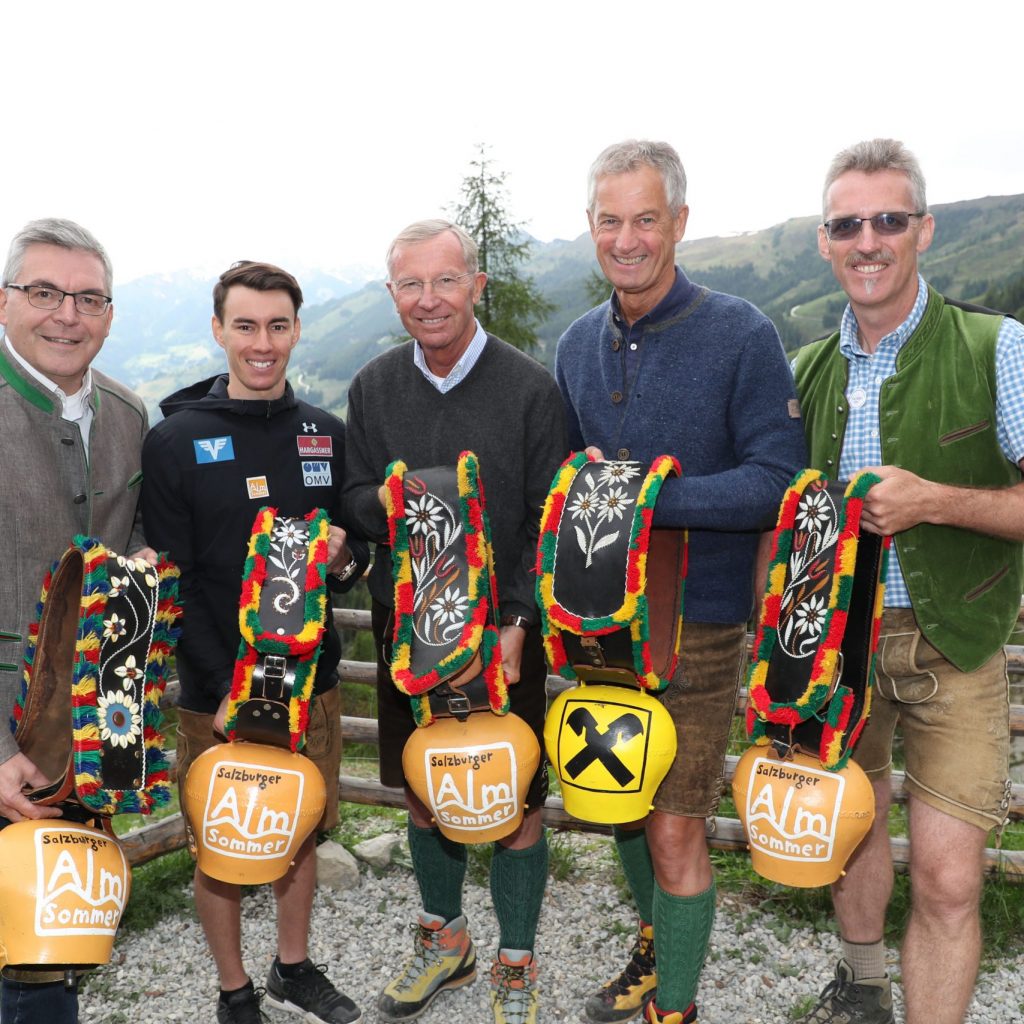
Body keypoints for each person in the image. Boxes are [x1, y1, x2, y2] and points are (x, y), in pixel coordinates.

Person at [555, 140, 806, 1024]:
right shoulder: (577, 342)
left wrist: (644, 498)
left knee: (675, 824)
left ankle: (681, 1007)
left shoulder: (741, 333)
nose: (628, 239)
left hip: (699, 621)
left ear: (680, 224)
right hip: (601, 627)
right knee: (620, 803)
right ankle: (660, 942)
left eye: (646, 219)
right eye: (611, 220)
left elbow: (778, 479)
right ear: (591, 227)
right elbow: (565, 478)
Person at [790, 139, 1024, 1024]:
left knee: (950, 877)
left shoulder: (998, 347)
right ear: (824, 241)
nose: (869, 240)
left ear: (923, 230)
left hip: (953, 641)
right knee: (846, 832)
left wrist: (935, 500)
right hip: (831, 652)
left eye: (889, 219)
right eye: (848, 224)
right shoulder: (808, 370)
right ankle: (862, 988)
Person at [341, 219, 566, 1024]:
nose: (428, 300)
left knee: (515, 800)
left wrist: (516, 618)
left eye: (444, 281)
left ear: (474, 284)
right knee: (421, 792)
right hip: (409, 638)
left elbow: (550, 516)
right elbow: (352, 497)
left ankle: (516, 957)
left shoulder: (530, 388)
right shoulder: (372, 387)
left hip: (502, 636)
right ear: (393, 292)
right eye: (411, 284)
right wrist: (395, 501)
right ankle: (447, 943)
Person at [141, 261, 369, 1024]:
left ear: (297, 330)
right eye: (245, 326)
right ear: (219, 330)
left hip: (313, 685)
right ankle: (233, 988)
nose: (262, 343)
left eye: (277, 326)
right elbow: (171, 581)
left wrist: (344, 557)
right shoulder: (176, 439)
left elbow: (354, 557)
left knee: (299, 831)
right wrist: (220, 695)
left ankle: (293, 969)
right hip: (216, 694)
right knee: (224, 845)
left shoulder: (326, 435)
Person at [0, 217, 157, 1023]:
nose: (67, 313)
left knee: (50, 961)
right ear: (4, 301)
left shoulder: (130, 417)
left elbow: (135, 570)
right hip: (2, 743)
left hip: (80, 751)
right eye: (44, 292)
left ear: (108, 314)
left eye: (88, 297)